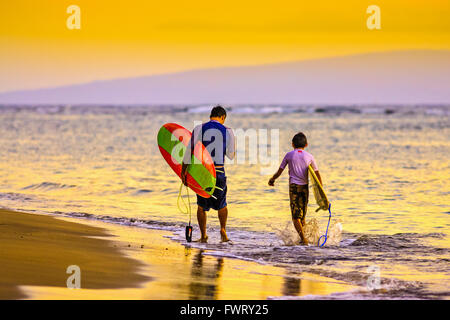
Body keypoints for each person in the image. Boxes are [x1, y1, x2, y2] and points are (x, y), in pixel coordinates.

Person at [181, 105, 235, 243]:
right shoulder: (228, 131)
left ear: (211, 115)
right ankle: (223, 229)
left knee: (201, 205)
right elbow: (231, 155)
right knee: (222, 203)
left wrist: (183, 172)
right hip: (218, 170)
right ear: (223, 117)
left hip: (203, 172)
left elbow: (189, 151)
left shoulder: (199, 128)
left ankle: (204, 235)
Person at [268, 132, 323, 245]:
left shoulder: (289, 155)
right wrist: (320, 190)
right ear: (306, 144)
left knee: (295, 217)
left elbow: (280, 170)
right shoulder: (309, 156)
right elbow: (316, 173)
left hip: (294, 187)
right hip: (305, 188)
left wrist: (272, 179)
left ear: (292, 144)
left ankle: (304, 239)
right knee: (302, 217)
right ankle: (307, 238)